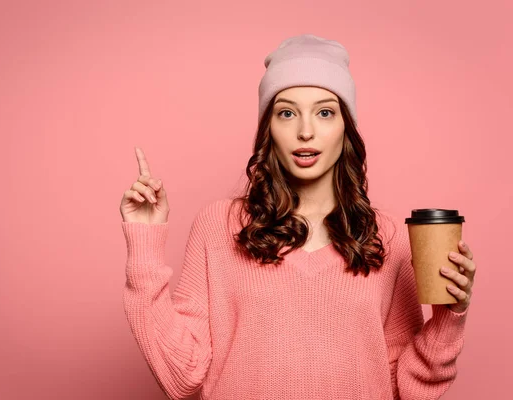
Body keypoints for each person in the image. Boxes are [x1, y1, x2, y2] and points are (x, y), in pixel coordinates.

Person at [119, 34, 476, 400]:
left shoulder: (387, 237)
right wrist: (144, 247)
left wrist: (450, 315)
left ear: (345, 127)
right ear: (268, 129)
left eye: (325, 112)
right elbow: (181, 375)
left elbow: (410, 389)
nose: (305, 131)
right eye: (287, 112)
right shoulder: (218, 226)